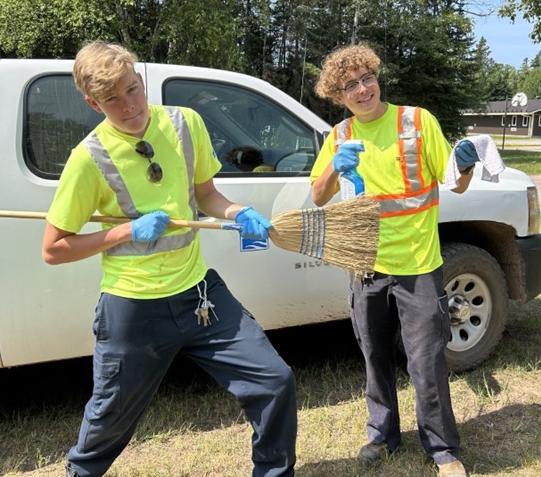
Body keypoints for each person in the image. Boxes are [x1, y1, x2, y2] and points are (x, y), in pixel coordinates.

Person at [42, 41, 297, 477]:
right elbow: (53, 249)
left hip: (199, 294)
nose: (128, 106)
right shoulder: (89, 158)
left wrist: (237, 213)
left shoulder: (184, 123)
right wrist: (125, 231)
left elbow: (207, 195)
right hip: (132, 308)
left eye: (132, 90)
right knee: (109, 418)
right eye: (112, 100)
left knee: (274, 380)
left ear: (140, 80)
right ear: (91, 103)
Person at [309, 44, 477, 477]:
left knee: (426, 359)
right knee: (374, 355)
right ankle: (383, 435)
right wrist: (332, 168)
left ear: (377, 77)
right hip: (365, 265)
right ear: (337, 94)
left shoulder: (416, 121)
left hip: (417, 263)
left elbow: (453, 184)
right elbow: (317, 195)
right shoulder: (340, 135)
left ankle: (442, 448)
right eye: (350, 85)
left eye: (367, 78)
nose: (363, 89)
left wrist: (466, 165)